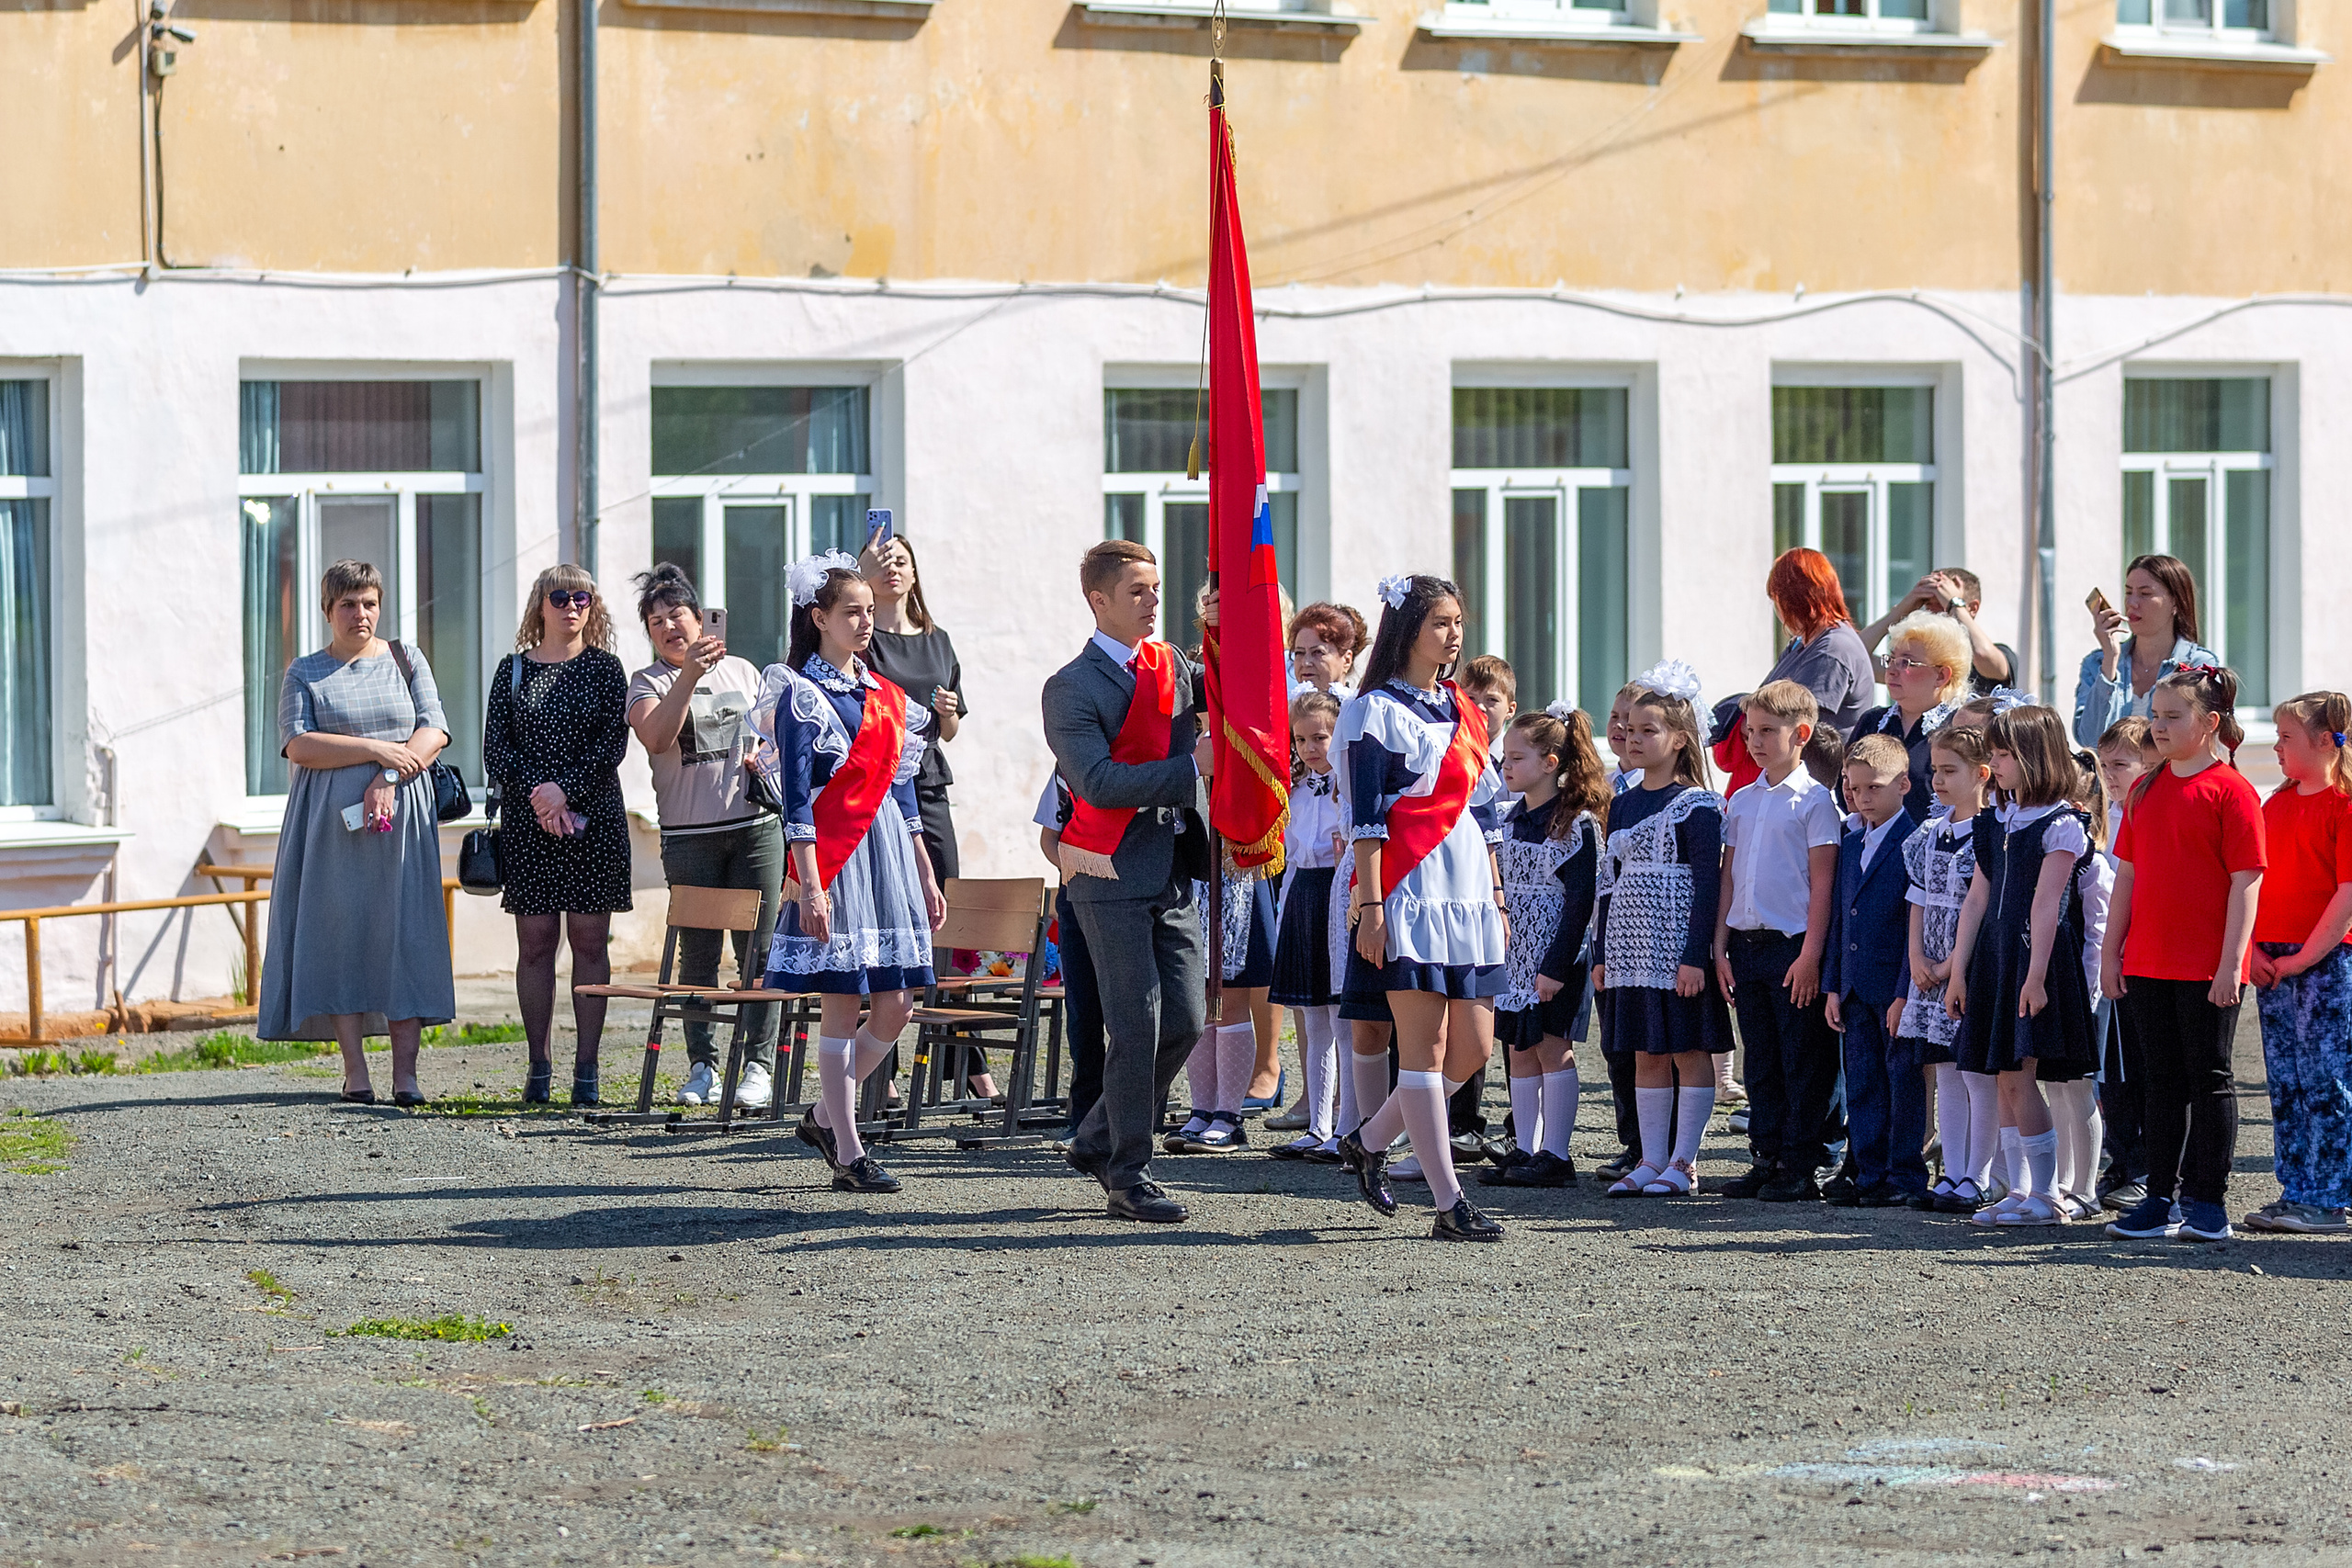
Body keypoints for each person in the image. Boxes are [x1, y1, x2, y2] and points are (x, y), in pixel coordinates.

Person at [758, 552, 947, 1196]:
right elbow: (798, 801)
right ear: (819, 618)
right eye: (852, 612)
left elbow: (901, 791)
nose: (866, 622)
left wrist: (923, 868)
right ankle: (850, 1149)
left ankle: (821, 1115)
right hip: (835, 864)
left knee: (896, 1005)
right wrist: (810, 883)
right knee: (841, 1004)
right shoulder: (799, 695)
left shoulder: (885, 698)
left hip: (889, 856)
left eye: (869, 611)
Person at [1041, 538, 1217, 1225]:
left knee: (1186, 1018)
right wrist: (1191, 767)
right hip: (1105, 867)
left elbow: (1233, 689)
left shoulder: (1170, 662)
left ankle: (1095, 1135)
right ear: (1099, 600)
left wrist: (1237, 622)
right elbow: (1099, 782)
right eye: (1137, 590)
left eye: (1155, 589)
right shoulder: (1072, 685)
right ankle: (1130, 1174)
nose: (1151, 601)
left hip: (1169, 863)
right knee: (1137, 1024)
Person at [1331, 572, 1510, 1242]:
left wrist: (1496, 893)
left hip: (1466, 891)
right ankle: (1449, 1203)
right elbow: (1367, 818)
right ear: (1407, 629)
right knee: (1427, 1049)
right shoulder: (1372, 710)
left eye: (1459, 621)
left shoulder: (1464, 707)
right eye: (1440, 621)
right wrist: (1372, 904)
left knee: (1474, 1044)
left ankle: (1368, 1139)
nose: (1454, 633)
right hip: (1409, 888)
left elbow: (1485, 808)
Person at [259, 559, 456, 1105]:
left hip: (402, 823)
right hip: (329, 827)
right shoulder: (305, 671)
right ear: (328, 611)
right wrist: (375, 750)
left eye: (369, 603)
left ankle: (407, 1076)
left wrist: (389, 775)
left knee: (405, 934)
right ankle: (355, 1072)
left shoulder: (405, 658)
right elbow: (299, 745)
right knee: (342, 937)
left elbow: (434, 729)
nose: (360, 614)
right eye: (347, 604)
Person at [2100, 666, 2264, 1244]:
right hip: (2147, 960)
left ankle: (2207, 1203)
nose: (2160, 727)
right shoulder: (2145, 789)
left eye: (2173, 717)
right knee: (2159, 1082)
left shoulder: (2232, 790)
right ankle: (2160, 1197)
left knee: (2210, 1079)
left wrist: (2231, 962)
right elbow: (2128, 876)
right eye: (2156, 715)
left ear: (2209, 722)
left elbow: (2247, 881)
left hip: (2205, 966)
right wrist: (2111, 953)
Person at [624, 563, 784, 1111]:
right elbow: (656, 737)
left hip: (755, 828)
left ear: (701, 619)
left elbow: (777, 736)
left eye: (678, 615)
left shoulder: (743, 670)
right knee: (697, 956)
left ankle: (759, 1067)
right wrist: (688, 676)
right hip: (690, 837)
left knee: (759, 952)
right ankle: (703, 1066)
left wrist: (767, 754)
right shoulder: (647, 683)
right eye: (657, 621)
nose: (670, 627)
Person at [1945, 705, 2099, 1227]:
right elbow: (1976, 899)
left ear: (2034, 755)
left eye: (2004, 754)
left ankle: (2049, 1194)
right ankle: (2022, 1188)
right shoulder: (1994, 823)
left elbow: (2047, 904)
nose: (1995, 764)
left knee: (2020, 1076)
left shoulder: (2063, 825)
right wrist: (1960, 970)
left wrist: (2034, 978)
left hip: (2035, 965)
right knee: (2001, 1078)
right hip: (1994, 961)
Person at [485, 565, 632, 1108]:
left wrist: (563, 792)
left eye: (583, 597)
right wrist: (541, 797)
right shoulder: (514, 670)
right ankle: (539, 1066)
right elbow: (495, 749)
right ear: (540, 606)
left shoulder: (606, 670)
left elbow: (611, 747)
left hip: (593, 822)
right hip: (531, 824)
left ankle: (587, 1071)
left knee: (591, 943)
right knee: (536, 943)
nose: (572, 606)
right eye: (561, 596)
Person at [1595, 660, 1731, 1197]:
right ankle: (1651, 1159)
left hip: (1674, 946)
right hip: (1631, 946)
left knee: (1687, 1049)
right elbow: (1609, 883)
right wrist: (1604, 952)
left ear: (1679, 740)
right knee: (1646, 1052)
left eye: (1648, 730)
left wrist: (1694, 956)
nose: (1633, 738)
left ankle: (1684, 1161)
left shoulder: (1697, 806)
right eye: (1630, 730)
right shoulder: (1622, 803)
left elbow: (1708, 887)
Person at [1713, 681, 1843, 1202]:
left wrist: (1811, 955)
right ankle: (1766, 1156)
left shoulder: (1816, 803)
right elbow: (1728, 876)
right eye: (1750, 732)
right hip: (1747, 945)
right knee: (1760, 1057)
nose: (1754, 742)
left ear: (1801, 734)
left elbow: (1823, 883)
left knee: (1803, 1057)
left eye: (1767, 732)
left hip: (1793, 947)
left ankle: (1802, 1161)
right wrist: (1719, 946)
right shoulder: (1742, 800)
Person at [1480, 705, 1606, 1190]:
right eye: (1505, 758)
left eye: (1516, 758)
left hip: (1557, 956)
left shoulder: (1576, 823)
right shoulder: (1510, 820)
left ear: (1551, 762)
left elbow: (1580, 901)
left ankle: (1556, 1152)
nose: (1506, 766)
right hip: (1516, 954)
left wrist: (1555, 966)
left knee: (1554, 1049)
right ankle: (1527, 1148)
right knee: (1519, 1048)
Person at [2245, 692, 2352, 1234]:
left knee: (2326, 1080)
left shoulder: (2345, 806)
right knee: (2285, 1082)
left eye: (2287, 738)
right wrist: (2254, 949)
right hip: (2274, 961)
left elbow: (2346, 895)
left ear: (2323, 741)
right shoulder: (2275, 806)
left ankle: (2330, 1196)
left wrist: (2306, 957)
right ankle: (2296, 1187)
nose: (2279, 747)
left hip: (2326, 963)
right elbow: (2254, 885)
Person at [1821, 734, 1924, 1206]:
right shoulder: (1849, 839)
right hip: (1855, 986)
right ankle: (1868, 1172)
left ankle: (1903, 1176)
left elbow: (1914, 928)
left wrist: (1906, 991)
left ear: (1903, 784)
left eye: (1874, 788)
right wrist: (1833, 987)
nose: (1862, 798)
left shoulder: (1915, 841)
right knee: (1861, 1081)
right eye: (1854, 788)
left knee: (1901, 1081)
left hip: (1894, 987)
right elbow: (1841, 920)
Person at [1901, 724, 1993, 1212]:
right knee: (1945, 1071)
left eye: (1949, 770)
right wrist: (1917, 957)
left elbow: (1982, 906)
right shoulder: (1930, 834)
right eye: (1934, 769)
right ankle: (1951, 1173)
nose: (1937, 780)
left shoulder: (1991, 831)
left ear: (1981, 774)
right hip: (1929, 972)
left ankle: (1979, 1176)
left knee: (1975, 1071)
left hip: (1969, 967)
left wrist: (1952, 964)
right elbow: (1917, 899)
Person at [860, 529, 967, 883]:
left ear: (914, 573)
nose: (892, 569)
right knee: (888, 881)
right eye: (882, 563)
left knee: (944, 876)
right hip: (878, 774)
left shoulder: (937, 639)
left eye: (901, 562)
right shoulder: (859, 640)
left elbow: (949, 733)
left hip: (928, 772)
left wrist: (947, 712)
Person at [1267, 690, 1348, 1161]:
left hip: (1338, 894)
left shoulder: (1351, 787)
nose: (1311, 748)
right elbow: (1292, 856)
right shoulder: (1293, 787)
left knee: (1341, 1016)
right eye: (1301, 740)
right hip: (1303, 894)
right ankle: (1318, 1124)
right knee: (1313, 1016)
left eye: (1320, 737)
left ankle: (1346, 1125)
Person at [2091, 718, 2155, 1213]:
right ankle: (2121, 1159)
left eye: (2120, 765)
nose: (2110, 775)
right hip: (2107, 957)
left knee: (2142, 1068)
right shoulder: (2106, 815)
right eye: (2104, 765)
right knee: (2110, 1071)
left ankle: (2145, 1166)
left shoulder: (2146, 812)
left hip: (2144, 954)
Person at [2073, 554, 2222, 750]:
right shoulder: (2098, 663)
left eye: (2145, 594)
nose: (2132, 603)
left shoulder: (2196, 664)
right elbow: (2089, 739)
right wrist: (2110, 660)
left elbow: (2196, 740)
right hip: (2110, 780)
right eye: (2128, 592)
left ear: (2175, 603)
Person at [1034, 775, 1106, 1145]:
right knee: (1083, 1014)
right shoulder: (1067, 768)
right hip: (1076, 893)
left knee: (1131, 1015)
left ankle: (1130, 1115)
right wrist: (1072, 867)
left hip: (1129, 896)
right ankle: (1083, 1117)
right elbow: (1049, 839)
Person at [1852, 609, 1972, 822]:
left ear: (1942, 675)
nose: (1891, 670)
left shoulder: (1960, 730)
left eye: (1905, 663)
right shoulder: (1872, 723)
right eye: (1890, 659)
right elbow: (1845, 797)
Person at [1859, 568, 2018, 696]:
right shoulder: (1917, 663)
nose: (1933, 613)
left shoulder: (1998, 655)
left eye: (1943, 606)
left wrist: (1955, 604)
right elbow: (1855, 657)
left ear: (1972, 608)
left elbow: (1983, 654)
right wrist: (1902, 610)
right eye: (1927, 605)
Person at [1288, 601, 1368, 699]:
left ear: (1347, 660)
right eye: (1299, 653)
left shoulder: (1359, 711)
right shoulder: (1287, 710)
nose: (1306, 662)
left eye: (1318, 652)